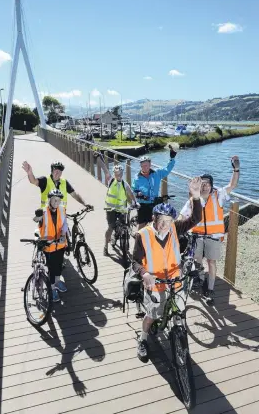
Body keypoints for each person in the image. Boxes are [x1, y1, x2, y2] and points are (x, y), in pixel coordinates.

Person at [132, 177, 202, 363]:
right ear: (154, 218)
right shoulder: (143, 235)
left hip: (175, 278)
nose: (165, 224)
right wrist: (144, 273)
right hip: (154, 281)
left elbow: (196, 218)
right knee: (152, 314)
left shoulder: (174, 228)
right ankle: (143, 339)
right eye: (162, 220)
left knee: (178, 309)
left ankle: (178, 336)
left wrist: (196, 196)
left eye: (169, 220)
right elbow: (135, 261)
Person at [178, 156, 240, 305]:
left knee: (211, 262)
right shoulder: (193, 199)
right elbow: (182, 215)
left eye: (208, 184)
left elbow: (232, 185)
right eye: (203, 184)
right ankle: (200, 279)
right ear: (199, 186)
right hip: (196, 236)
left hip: (213, 237)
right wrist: (174, 227)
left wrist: (236, 168)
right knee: (198, 261)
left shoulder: (218, 196)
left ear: (212, 186)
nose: (205, 186)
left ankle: (210, 288)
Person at [95, 152, 140, 256]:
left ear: (122, 174)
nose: (117, 175)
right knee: (110, 228)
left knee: (124, 226)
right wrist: (98, 157)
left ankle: (120, 237)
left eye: (119, 174)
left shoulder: (125, 184)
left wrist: (135, 202)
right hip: (110, 210)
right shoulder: (111, 180)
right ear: (114, 174)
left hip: (122, 210)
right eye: (116, 174)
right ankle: (105, 247)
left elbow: (131, 193)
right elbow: (104, 168)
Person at [33, 189, 68, 302]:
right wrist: (37, 216)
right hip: (49, 246)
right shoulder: (43, 212)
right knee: (52, 269)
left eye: (58, 200)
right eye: (54, 200)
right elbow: (36, 219)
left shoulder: (62, 210)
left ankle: (57, 282)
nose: (56, 203)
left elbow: (64, 224)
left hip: (60, 244)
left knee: (59, 266)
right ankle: (52, 288)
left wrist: (63, 234)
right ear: (50, 200)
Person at [132, 146, 177, 230]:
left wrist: (172, 158)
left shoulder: (157, 173)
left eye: (146, 165)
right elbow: (134, 190)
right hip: (143, 204)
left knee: (155, 223)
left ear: (150, 164)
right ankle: (139, 241)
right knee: (142, 225)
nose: (144, 168)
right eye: (142, 166)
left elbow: (167, 169)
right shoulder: (137, 177)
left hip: (154, 202)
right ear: (140, 166)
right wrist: (139, 194)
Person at [22, 160, 92, 210]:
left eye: (60, 171)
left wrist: (84, 204)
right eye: (56, 170)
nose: (58, 173)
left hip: (61, 215)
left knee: (66, 230)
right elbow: (33, 181)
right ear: (52, 171)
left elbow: (75, 195)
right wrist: (30, 173)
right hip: (46, 214)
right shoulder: (45, 180)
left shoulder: (64, 182)